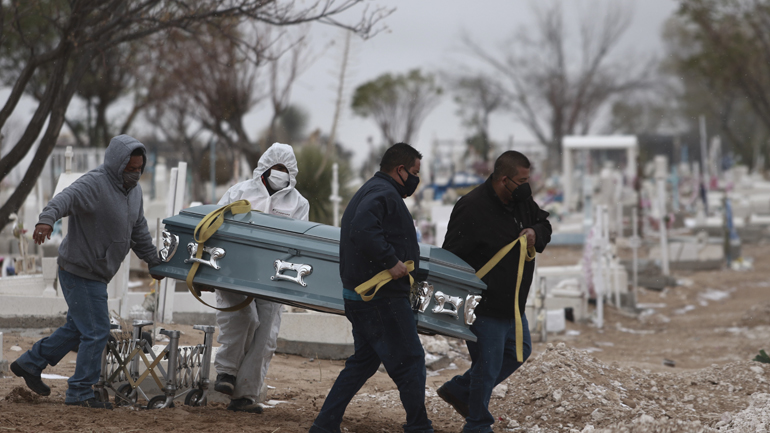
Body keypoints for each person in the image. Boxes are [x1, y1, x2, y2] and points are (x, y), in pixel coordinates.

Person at [11, 135, 164, 409]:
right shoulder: (96, 183)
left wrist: (153, 261)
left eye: (140, 169)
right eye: (130, 169)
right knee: (96, 331)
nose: (135, 174)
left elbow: (138, 229)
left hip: (97, 272)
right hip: (80, 270)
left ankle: (29, 363)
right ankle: (80, 392)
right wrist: (46, 219)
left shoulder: (135, 193)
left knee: (78, 328)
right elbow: (65, 198)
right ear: (117, 164)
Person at [309, 143, 433, 433]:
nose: (416, 179)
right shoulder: (383, 193)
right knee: (411, 360)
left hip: (362, 298)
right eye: (414, 172)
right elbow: (363, 228)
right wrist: (391, 261)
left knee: (363, 362)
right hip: (382, 300)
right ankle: (419, 426)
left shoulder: (371, 189)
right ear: (400, 170)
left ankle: (325, 424)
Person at [436, 151, 551, 433]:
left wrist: (535, 233)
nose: (527, 185)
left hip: (512, 303)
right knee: (487, 366)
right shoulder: (471, 207)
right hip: (483, 304)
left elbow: (544, 223)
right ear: (504, 179)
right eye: (522, 180)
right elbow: (451, 255)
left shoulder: (522, 201)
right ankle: (477, 425)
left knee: (519, 352)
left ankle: (460, 389)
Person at [213, 142, 309, 413]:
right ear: (265, 167)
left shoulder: (298, 204)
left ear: (291, 172)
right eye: (275, 167)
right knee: (243, 318)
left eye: (284, 169)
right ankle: (227, 372)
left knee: (266, 334)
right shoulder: (239, 191)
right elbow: (215, 223)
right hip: (235, 269)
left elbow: (299, 243)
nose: (279, 173)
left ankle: (246, 394)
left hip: (275, 276)